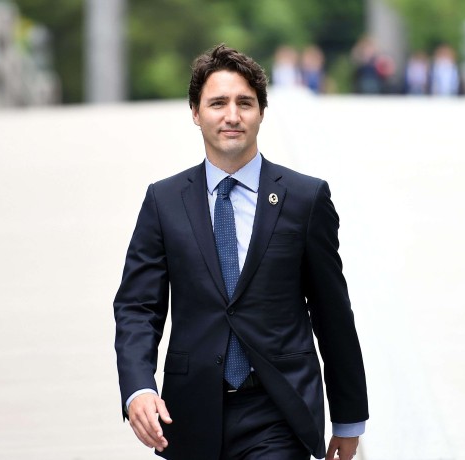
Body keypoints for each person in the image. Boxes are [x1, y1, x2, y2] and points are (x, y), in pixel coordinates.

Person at [114, 43, 368, 460]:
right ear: (195, 113)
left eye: (244, 103)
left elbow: (332, 312)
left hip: (278, 410)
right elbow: (138, 307)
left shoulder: (305, 199)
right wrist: (139, 387)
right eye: (218, 103)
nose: (232, 116)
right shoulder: (164, 201)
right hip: (190, 413)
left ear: (261, 112)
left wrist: (348, 417)